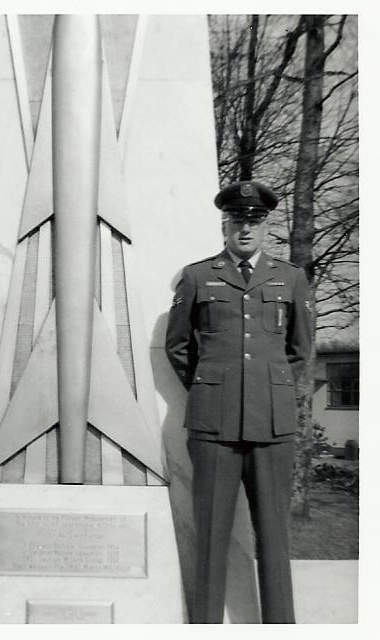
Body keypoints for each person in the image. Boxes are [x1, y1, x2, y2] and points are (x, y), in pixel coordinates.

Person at [165, 180, 311, 624]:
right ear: (225, 224)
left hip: (271, 426)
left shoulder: (290, 278)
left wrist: (264, 390)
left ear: (266, 226)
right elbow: (178, 348)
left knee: (273, 539)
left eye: (255, 221)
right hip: (214, 428)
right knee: (210, 538)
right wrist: (214, 388)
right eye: (238, 221)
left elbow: (300, 352)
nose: (246, 230)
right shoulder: (197, 276)